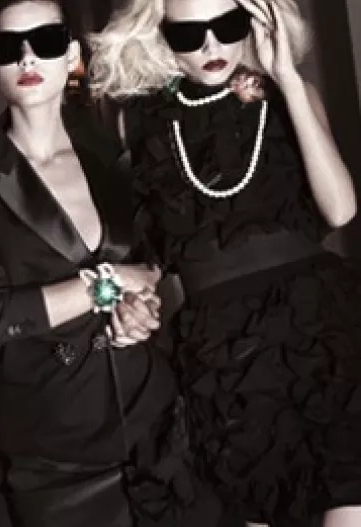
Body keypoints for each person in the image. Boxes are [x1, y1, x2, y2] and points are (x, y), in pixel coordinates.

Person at [0, 1, 220, 525]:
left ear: (70, 54)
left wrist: (143, 307)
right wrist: (106, 283)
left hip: (158, 423)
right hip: (55, 451)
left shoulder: (119, 153)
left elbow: (162, 265)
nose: (27, 57)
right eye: (7, 46)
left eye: (44, 41)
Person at [91, 0, 361, 525]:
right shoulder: (140, 122)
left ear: (256, 24)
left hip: (320, 328)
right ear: (161, 36)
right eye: (189, 33)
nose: (211, 45)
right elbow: (158, 254)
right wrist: (130, 298)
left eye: (227, 25)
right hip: (222, 349)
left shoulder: (291, 95)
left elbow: (341, 209)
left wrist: (287, 78)